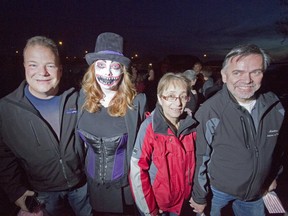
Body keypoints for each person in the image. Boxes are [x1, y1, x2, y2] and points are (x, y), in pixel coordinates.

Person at [0, 36, 92, 216]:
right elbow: (3, 156)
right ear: (25, 67)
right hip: (43, 193)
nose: (42, 72)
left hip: (83, 187)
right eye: (33, 65)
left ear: (60, 69)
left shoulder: (77, 98)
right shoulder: (6, 109)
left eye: (50, 65)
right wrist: (16, 192)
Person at [190, 44, 285, 216]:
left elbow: (278, 147)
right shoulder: (211, 110)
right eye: (237, 73)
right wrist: (199, 196)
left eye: (255, 72)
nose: (247, 80)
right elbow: (200, 157)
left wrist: (273, 176)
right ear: (224, 76)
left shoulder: (275, 105)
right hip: (218, 193)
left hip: (257, 193)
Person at [76, 32, 147, 215]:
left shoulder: (136, 103)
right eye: (101, 65)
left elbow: (146, 143)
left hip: (124, 190)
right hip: (92, 185)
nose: (107, 73)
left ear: (122, 71)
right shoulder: (81, 99)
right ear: (93, 70)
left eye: (114, 67)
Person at [130, 72, 197, 216]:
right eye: (171, 96)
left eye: (182, 96)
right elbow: (137, 170)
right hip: (160, 205)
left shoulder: (191, 126)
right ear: (160, 98)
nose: (178, 103)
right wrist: (149, 210)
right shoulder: (149, 128)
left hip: (184, 203)